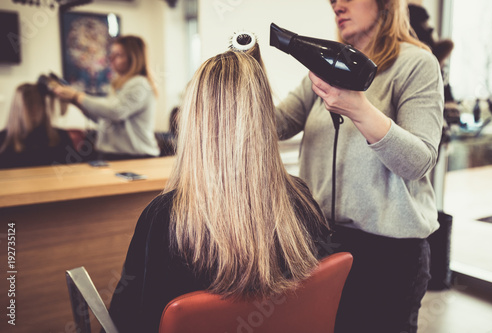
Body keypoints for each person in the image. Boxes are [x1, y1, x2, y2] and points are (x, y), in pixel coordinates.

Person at [107, 51, 330, 333]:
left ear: (193, 120)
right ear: (263, 117)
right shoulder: (302, 200)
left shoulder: (163, 219)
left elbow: (129, 321)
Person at [274, 0, 444, 332]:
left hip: (390, 255)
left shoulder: (416, 64)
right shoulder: (325, 64)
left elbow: (418, 161)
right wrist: (248, 76)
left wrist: (358, 109)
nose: (338, 3)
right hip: (320, 244)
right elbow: (276, 125)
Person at [54, 35, 160, 161]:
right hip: (115, 156)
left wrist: (78, 96)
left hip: (135, 157)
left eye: (118, 55)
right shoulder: (117, 85)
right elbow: (104, 119)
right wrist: (76, 102)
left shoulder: (139, 84)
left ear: (134, 58)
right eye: (112, 54)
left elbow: (116, 112)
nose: (111, 59)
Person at [0, 83, 74, 169]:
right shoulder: (3, 140)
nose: (34, 109)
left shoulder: (61, 136)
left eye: (38, 103)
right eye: (29, 104)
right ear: (18, 108)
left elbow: (74, 170)